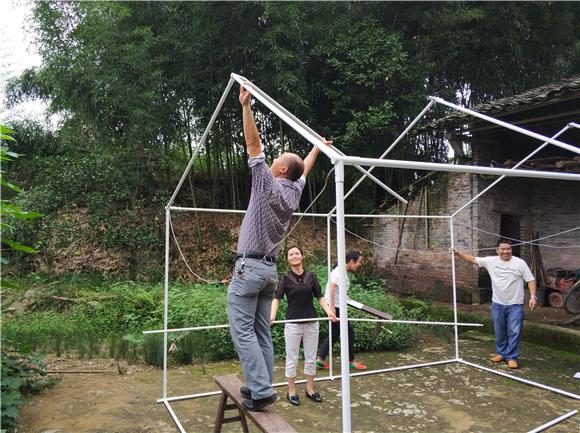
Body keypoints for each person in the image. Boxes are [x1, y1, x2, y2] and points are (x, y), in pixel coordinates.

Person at [227, 84, 332, 412]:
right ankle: (261, 386)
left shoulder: (267, 184)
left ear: (281, 169)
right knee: (259, 331)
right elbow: (305, 170)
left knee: (242, 331)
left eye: (276, 161)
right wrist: (316, 148)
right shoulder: (293, 192)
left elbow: (253, 145)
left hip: (249, 269)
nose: (270, 161)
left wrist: (246, 106)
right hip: (270, 271)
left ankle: (260, 390)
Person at [452, 239, 538, 369]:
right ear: (497, 250)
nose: (505, 251)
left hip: (515, 304)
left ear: (511, 249)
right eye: (502, 249)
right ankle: (502, 353)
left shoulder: (519, 263)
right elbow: (473, 259)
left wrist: (532, 297)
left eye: (508, 249)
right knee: (499, 330)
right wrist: (458, 254)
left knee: (514, 331)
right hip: (497, 303)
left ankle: (512, 357)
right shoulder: (491, 261)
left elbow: (530, 279)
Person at [270, 246, 337, 407]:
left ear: (302, 256)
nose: (294, 256)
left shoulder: (311, 276)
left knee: (310, 358)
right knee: (292, 358)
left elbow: (319, 297)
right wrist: (272, 316)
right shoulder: (285, 279)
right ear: (287, 259)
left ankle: (310, 390)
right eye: (291, 254)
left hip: (312, 323)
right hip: (292, 324)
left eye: (297, 253)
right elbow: (277, 299)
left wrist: (329, 312)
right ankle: (291, 391)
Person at [316, 250, 367, 371]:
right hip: (335, 307)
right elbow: (332, 287)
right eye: (359, 261)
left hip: (335, 305)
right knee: (349, 333)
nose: (360, 264)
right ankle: (351, 361)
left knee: (334, 333)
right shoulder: (339, 271)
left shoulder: (341, 271)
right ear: (351, 261)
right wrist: (332, 307)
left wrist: (345, 297)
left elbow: (338, 288)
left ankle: (320, 359)